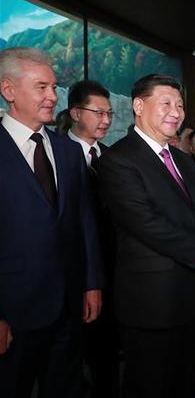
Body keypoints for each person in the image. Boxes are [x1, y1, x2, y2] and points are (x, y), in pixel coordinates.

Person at [97, 74, 195, 398]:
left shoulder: (182, 159)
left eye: (180, 105)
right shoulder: (118, 160)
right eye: (167, 103)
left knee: (183, 373)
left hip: (193, 289)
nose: (177, 112)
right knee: (149, 382)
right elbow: (145, 223)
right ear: (139, 106)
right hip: (151, 299)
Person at [0, 47, 103, 398]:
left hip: (69, 307)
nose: (53, 96)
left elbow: (85, 223)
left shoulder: (67, 151)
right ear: (8, 90)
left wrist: (91, 284)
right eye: (42, 87)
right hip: (14, 313)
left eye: (54, 87)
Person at [67, 79, 120, 398]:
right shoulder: (56, 156)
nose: (106, 119)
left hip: (113, 269)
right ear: (75, 112)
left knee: (107, 349)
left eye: (109, 112)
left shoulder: (112, 158)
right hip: (75, 272)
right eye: (98, 111)